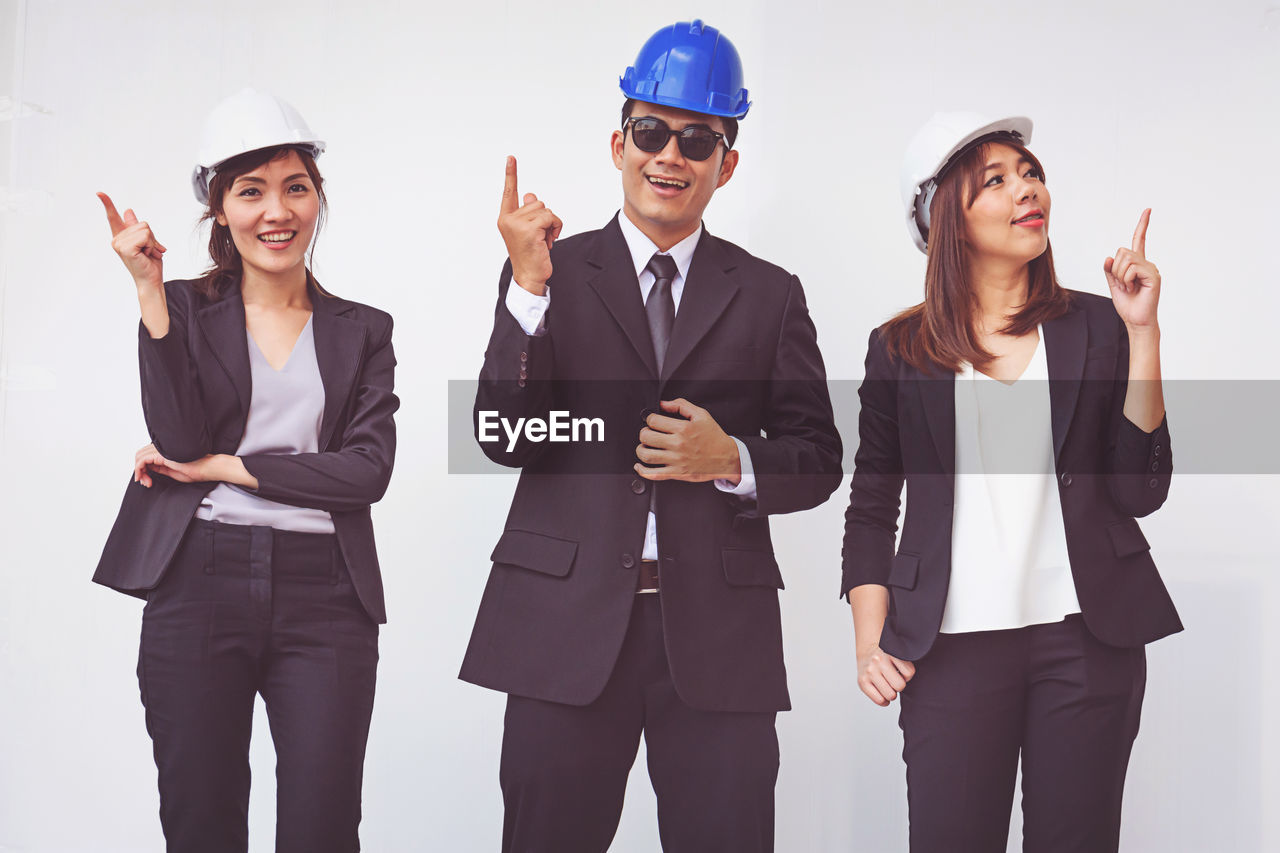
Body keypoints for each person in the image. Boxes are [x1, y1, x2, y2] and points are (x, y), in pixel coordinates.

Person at [461, 20, 842, 852]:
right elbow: (502, 432)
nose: (670, 155)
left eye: (697, 138)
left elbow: (819, 458)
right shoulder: (547, 271)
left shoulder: (772, 294)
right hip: (563, 625)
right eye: (651, 131)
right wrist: (526, 287)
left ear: (725, 163)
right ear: (619, 142)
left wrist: (732, 460)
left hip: (716, 637)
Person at [841, 111, 1182, 852]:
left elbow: (1138, 491)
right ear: (945, 221)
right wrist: (873, 639)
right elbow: (871, 503)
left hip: (1086, 641)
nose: (1027, 189)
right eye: (995, 180)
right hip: (950, 648)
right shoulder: (899, 349)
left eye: (1030, 173)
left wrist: (1143, 334)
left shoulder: (1097, 327)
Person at [92, 88, 397, 853]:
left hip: (326, 595)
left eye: (295, 187)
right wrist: (147, 292)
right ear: (219, 209)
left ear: (317, 198)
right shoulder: (185, 309)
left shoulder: (363, 331)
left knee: (323, 829)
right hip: (198, 580)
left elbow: (365, 472)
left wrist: (229, 465)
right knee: (201, 823)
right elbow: (176, 434)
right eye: (251, 191)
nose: (277, 211)